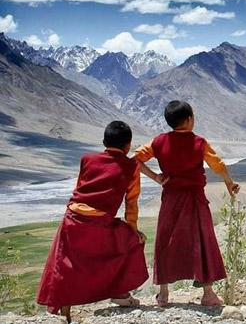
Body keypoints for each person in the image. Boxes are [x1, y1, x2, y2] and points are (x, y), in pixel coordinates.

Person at [37, 121, 163, 322]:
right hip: (101, 223)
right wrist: (133, 230)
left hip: (72, 220)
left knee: (65, 266)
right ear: (128, 145)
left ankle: (62, 315)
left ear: (104, 141)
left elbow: (80, 188)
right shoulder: (131, 167)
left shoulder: (87, 159)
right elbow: (132, 203)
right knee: (133, 241)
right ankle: (120, 293)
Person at [135, 100, 240, 307]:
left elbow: (135, 159)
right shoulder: (199, 142)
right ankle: (208, 294)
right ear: (190, 119)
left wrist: (156, 177)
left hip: (170, 200)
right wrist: (229, 182)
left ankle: (163, 294)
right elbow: (217, 164)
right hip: (194, 199)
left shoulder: (158, 142)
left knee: (166, 242)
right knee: (201, 240)